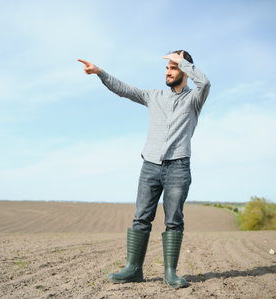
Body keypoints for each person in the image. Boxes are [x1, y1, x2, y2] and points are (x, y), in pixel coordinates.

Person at [78, 50, 210, 289]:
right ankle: (133, 269)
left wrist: (182, 61)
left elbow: (205, 82)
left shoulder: (195, 99)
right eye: (167, 68)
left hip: (178, 166)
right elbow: (125, 89)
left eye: (173, 67)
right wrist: (100, 73)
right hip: (150, 166)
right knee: (141, 218)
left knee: (174, 221)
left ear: (185, 69)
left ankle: (170, 273)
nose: (168, 72)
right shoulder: (154, 96)